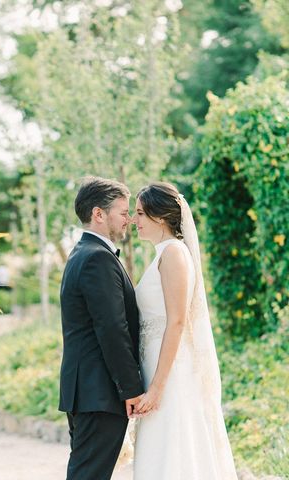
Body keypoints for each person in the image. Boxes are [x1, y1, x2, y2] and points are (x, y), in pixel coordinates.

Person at [131, 182, 238, 479]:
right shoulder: (161, 254)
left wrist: (157, 387)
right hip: (156, 366)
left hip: (172, 372)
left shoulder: (175, 254)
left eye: (140, 213)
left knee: (175, 450)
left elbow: (178, 321)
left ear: (160, 216)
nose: (134, 220)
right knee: (160, 450)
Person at [59, 176, 144, 480]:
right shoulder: (97, 258)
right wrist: (131, 388)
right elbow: (112, 329)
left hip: (88, 390)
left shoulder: (83, 254)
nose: (129, 220)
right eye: (123, 213)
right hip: (99, 392)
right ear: (98, 214)